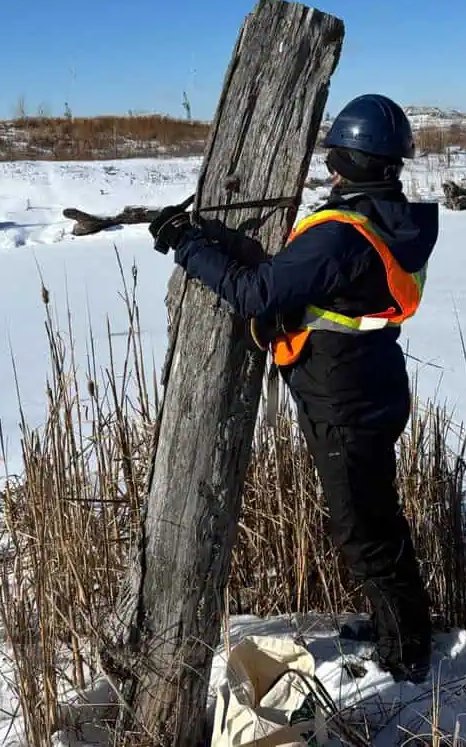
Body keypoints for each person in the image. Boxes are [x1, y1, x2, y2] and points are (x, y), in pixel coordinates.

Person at [148, 93, 438, 683]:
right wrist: (217, 241)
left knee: (364, 526)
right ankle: (397, 627)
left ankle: (406, 650)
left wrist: (187, 245)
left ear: (351, 163)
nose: (330, 170)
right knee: (375, 514)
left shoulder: (340, 235)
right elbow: (292, 274)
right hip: (371, 381)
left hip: (342, 396)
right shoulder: (392, 222)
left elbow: (257, 293)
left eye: (336, 158)